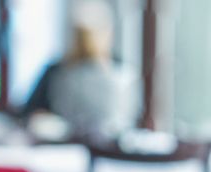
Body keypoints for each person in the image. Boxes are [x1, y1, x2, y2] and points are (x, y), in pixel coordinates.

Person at [22, 3, 130, 137]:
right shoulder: (55, 71)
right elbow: (30, 112)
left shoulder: (120, 73)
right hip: (62, 144)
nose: (89, 42)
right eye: (83, 35)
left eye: (94, 34)